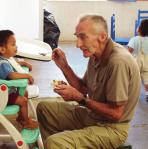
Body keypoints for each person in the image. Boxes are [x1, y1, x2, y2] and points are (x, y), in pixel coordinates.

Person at [36, 13, 141, 148]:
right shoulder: (95, 54)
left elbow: (116, 114)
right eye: (77, 37)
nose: (78, 44)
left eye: (83, 37)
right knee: (44, 110)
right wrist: (64, 66)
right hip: (92, 116)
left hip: (112, 128)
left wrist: (80, 99)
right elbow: (83, 88)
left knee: (54, 143)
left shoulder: (118, 61)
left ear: (102, 37)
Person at [0, 30, 39, 129]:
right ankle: (25, 122)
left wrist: (23, 63)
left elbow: (12, 64)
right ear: (2, 49)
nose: (16, 47)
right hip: (1, 95)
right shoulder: (1, 63)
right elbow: (11, 75)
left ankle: (22, 116)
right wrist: (27, 76)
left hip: (6, 91)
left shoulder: (3, 59)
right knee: (23, 101)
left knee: (25, 93)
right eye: (13, 44)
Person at [127, 19, 148, 102]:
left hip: (136, 63)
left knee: (135, 79)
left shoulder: (134, 39)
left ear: (138, 29)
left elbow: (129, 52)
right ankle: (147, 93)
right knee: (146, 79)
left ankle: (133, 94)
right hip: (146, 63)